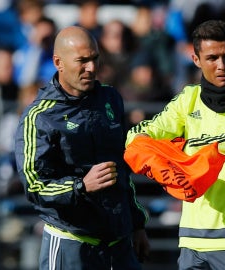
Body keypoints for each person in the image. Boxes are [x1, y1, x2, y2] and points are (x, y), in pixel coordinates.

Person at [125, 20, 225, 270]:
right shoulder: (188, 98)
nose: (222, 65)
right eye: (212, 58)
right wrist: (171, 152)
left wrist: (174, 150)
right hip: (192, 237)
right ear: (196, 60)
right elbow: (136, 137)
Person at [14, 26, 150, 270]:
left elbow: (121, 168)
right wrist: (81, 186)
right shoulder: (40, 116)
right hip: (71, 243)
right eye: (82, 61)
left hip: (118, 244)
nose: (91, 68)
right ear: (58, 62)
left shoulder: (111, 98)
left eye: (95, 58)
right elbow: (34, 186)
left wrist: (137, 224)